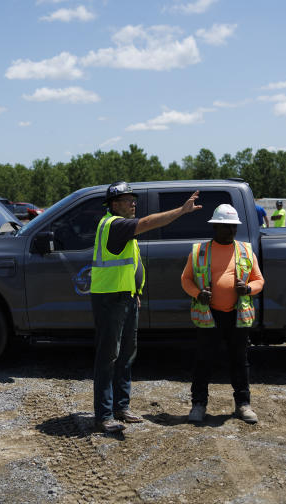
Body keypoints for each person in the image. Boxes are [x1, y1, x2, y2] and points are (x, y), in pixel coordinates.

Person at [91, 181, 201, 434]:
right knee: (108, 357)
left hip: (126, 297)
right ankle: (104, 415)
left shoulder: (122, 228)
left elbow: (130, 264)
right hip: (110, 299)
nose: (133, 203)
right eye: (128, 199)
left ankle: (121, 407)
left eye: (133, 199)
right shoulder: (114, 225)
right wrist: (181, 211)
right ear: (114, 204)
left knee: (126, 354)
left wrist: (135, 292)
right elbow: (150, 221)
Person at [180, 203, 264, 424]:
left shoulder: (245, 250)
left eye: (234, 227)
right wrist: (198, 294)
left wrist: (247, 289)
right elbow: (185, 279)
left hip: (237, 315)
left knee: (239, 360)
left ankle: (243, 404)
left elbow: (259, 280)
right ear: (215, 226)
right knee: (203, 360)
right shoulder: (199, 251)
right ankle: (198, 405)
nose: (231, 231)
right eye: (226, 227)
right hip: (209, 315)